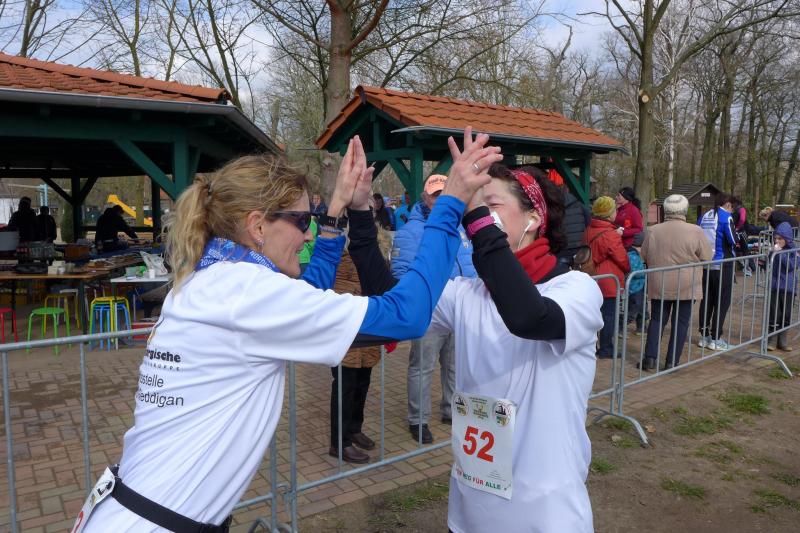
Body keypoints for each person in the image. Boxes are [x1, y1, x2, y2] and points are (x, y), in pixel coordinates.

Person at [76, 130, 503, 532]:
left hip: (133, 509)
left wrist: (338, 210)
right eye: (302, 220)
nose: (307, 233)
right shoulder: (246, 292)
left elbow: (306, 294)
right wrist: (450, 205)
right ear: (258, 225)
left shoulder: (211, 279)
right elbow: (407, 315)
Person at [365, 160, 603, 532]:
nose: (475, 217)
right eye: (475, 208)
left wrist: (476, 215)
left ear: (534, 218)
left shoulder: (576, 289)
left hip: (544, 515)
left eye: (491, 204)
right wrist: (359, 217)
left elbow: (529, 318)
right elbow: (393, 301)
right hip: (469, 513)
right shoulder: (468, 293)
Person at [392, 173, 476, 443]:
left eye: (445, 193)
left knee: (454, 365)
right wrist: (420, 301)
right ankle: (418, 419)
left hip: (460, 308)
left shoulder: (460, 227)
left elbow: (471, 264)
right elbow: (401, 272)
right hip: (430, 310)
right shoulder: (411, 231)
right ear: (425, 197)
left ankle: (451, 409)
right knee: (422, 366)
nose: (440, 199)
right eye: (435, 194)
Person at [638, 195, 712, 370]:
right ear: (684, 210)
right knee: (681, 322)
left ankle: (650, 358)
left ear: (666, 210)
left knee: (657, 320)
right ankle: (672, 361)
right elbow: (707, 256)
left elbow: (644, 255)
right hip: (686, 284)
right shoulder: (695, 231)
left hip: (660, 281)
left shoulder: (653, 230)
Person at [585, 195, 630, 358]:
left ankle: (590, 347)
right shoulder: (610, 234)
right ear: (609, 214)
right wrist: (628, 269)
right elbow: (622, 258)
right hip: (608, 281)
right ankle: (606, 348)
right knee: (608, 317)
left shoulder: (589, 229)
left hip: (591, 278)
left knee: (592, 316)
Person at [697, 193, 738, 351]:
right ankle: (716, 338)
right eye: (732, 207)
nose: (732, 210)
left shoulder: (704, 215)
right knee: (722, 302)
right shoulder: (726, 216)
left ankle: (704, 336)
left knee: (707, 300)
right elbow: (733, 239)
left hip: (706, 264)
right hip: (722, 264)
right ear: (727, 204)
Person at [545, 168, 590, 266]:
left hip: (560, 248)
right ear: (568, 190)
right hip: (579, 248)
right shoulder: (580, 205)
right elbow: (589, 223)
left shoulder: (551, 208)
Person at [767, 222, 798, 352]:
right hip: (775, 286)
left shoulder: (794, 251)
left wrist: (780, 253)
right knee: (774, 313)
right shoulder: (775, 250)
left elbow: (791, 266)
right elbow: (767, 263)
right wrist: (770, 253)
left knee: (786, 314)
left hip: (788, 288)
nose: (777, 241)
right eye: (775, 238)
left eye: (780, 238)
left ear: (787, 238)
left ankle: (782, 339)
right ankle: (772, 339)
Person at [625, 231, 646, 333]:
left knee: (642, 307)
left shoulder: (635, 254)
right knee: (634, 307)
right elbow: (635, 272)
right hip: (634, 287)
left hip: (639, 286)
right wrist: (646, 272)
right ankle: (621, 325)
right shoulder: (632, 255)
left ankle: (641, 327)